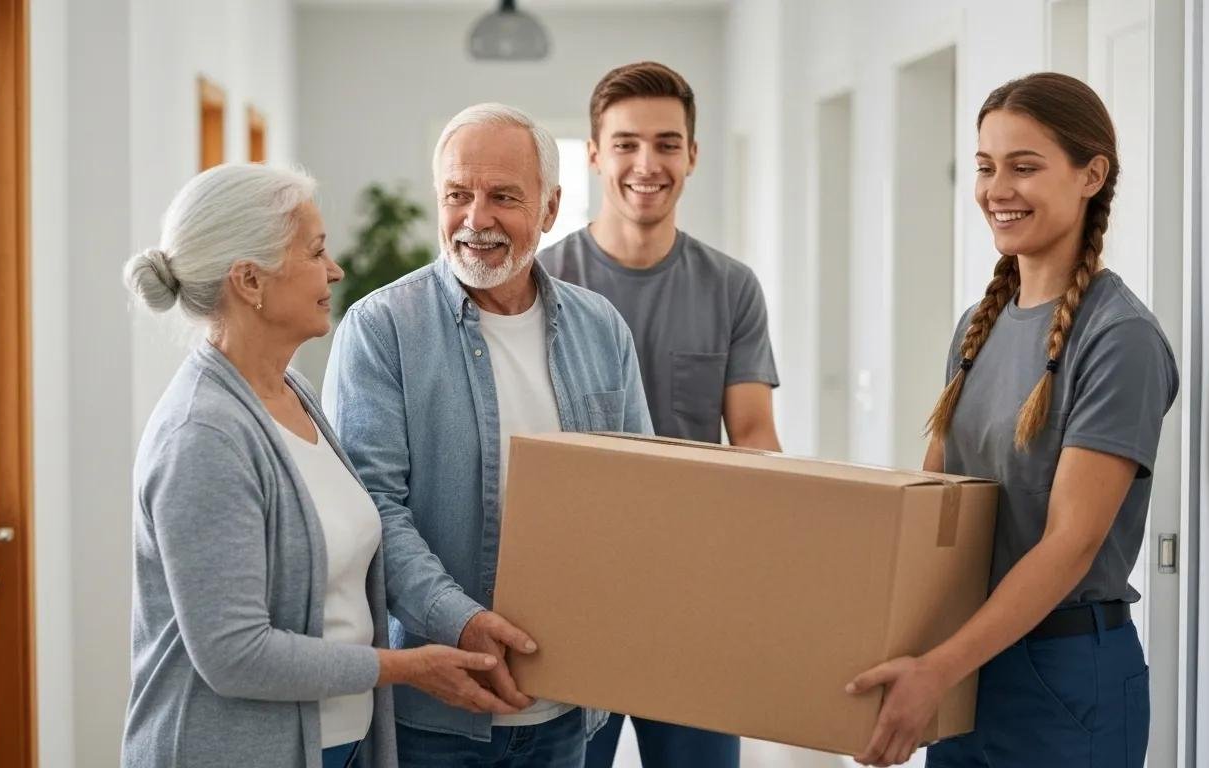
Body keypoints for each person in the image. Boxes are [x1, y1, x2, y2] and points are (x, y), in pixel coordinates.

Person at [121, 164, 515, 768]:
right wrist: (406, 668)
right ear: (250, 280)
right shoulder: (202, 436)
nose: (335, 270)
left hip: (336, 742)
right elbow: (235, 654)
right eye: (316, 251)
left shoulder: (292, 391)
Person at [845, 73, 1179, 768]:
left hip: (1065, 678)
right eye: (986, 167)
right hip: (970, 664)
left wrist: (937, 668)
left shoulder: (1119, 338)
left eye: (1024, 167)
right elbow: (936, 508)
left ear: (1092, 175)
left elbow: (1071, 544)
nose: (998, 189)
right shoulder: (977, 327)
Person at [323, 103, 652, 768]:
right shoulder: (381, 329)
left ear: (551, 208)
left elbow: (639, 496)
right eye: (457, 195)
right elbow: (374, 510)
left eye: (503, 196)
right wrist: (463, 621)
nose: (476, 219)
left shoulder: (601, 328)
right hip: (432, 714)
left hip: (566, 709)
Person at [538, 60, 780, 768]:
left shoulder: (731, 288)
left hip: (696, 600)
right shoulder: (545, 282)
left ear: (693, 155)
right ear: (592, 155)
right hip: (575, 601)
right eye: (626, 144)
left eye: (668, 144)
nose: (648, 164)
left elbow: (756, 434)